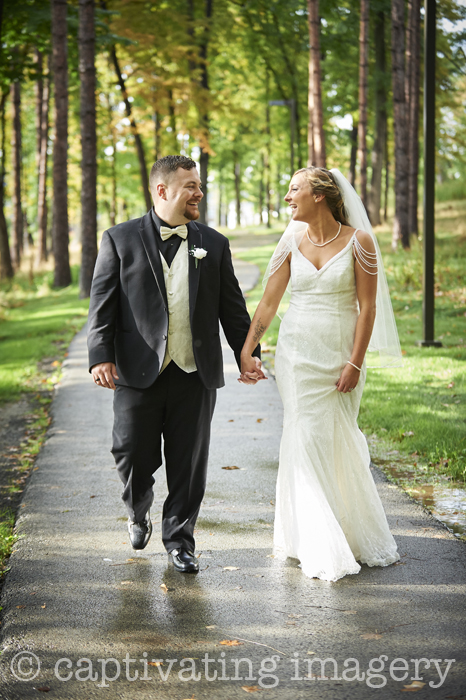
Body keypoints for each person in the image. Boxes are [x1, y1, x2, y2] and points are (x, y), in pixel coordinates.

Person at [88, 155, 261, 573]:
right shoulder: (119, 239)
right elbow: (102, 307)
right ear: (162, 191)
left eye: (200, 185)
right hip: (137, 370)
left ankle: (180, 541)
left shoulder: (214, 243)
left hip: (194, 371)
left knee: (188, 463)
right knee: (130, 453)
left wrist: (249, 352)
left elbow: (233, 310)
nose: (199, 193)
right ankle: (137, 508)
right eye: (190, 186)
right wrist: (100, 356)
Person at [240, 167, 401, 582]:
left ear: (321, 195)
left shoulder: (359, 242)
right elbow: (269, 303)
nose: (288, 197)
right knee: (303, 435)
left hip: (342, 354)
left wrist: (355, 362)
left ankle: (345, 529)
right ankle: (313, 538)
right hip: (296, 357)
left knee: (338, 437)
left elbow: (368, 309)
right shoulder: (291, 240)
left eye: (295, 189)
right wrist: (248, 349)